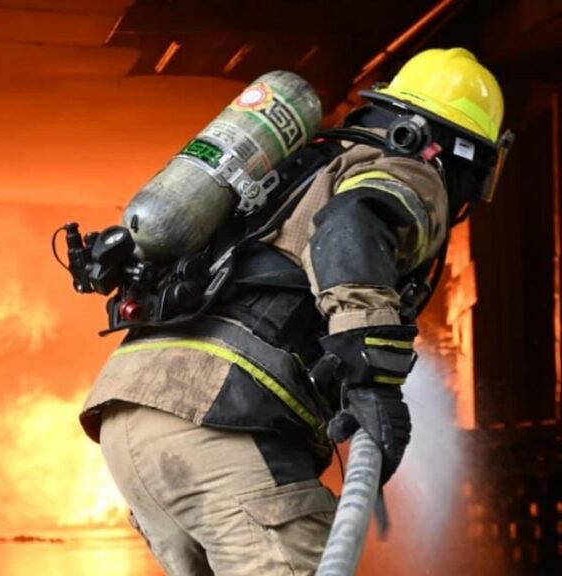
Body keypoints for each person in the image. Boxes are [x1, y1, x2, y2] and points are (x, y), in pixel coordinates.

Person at [77, 47, 507, 576]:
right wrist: (373, 378)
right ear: (467, 155)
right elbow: (352, 227)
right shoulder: (410, 170)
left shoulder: (308, 169)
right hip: (221, 422)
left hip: (132, 415)